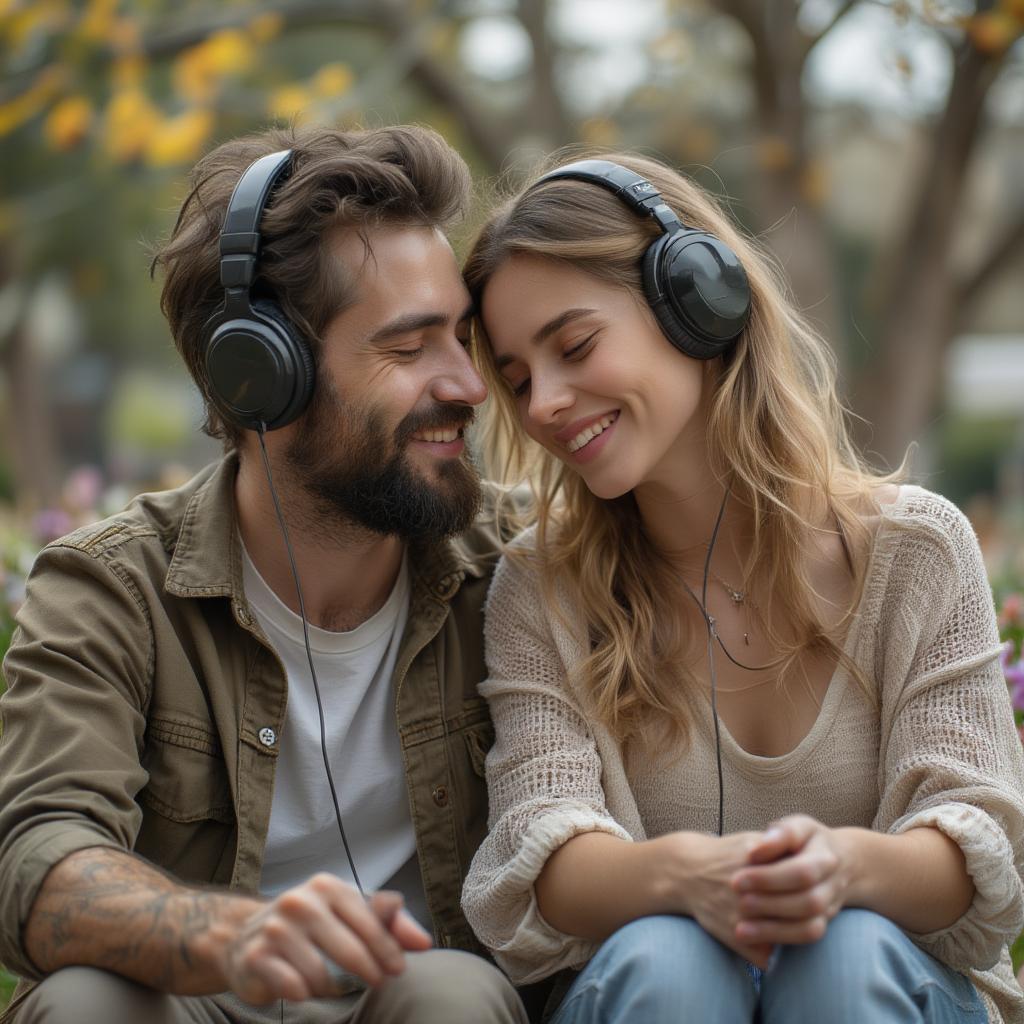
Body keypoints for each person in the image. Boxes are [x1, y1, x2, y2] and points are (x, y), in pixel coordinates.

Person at [459, 153, 1024, 1024]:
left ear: (697, 302)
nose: (543, 407)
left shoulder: (918, 552)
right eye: (520, 378)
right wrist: (688, 879)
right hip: (654, 995)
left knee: (846, 949)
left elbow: (974, 842)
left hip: (887, 991)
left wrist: (842, 870)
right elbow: (546, 849)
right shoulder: (542, 589)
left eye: (573, 347)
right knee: (670, 956)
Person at [0, 124, 529, 1024]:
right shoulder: (110, 590)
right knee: (86, 1003)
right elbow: (36, 859)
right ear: (259, 378)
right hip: (203, 995)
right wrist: (227, 936)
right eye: (410, 349)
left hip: (424, 997)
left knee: (451, 990)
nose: (469, 385)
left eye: (463, 338)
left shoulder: (523, 557)